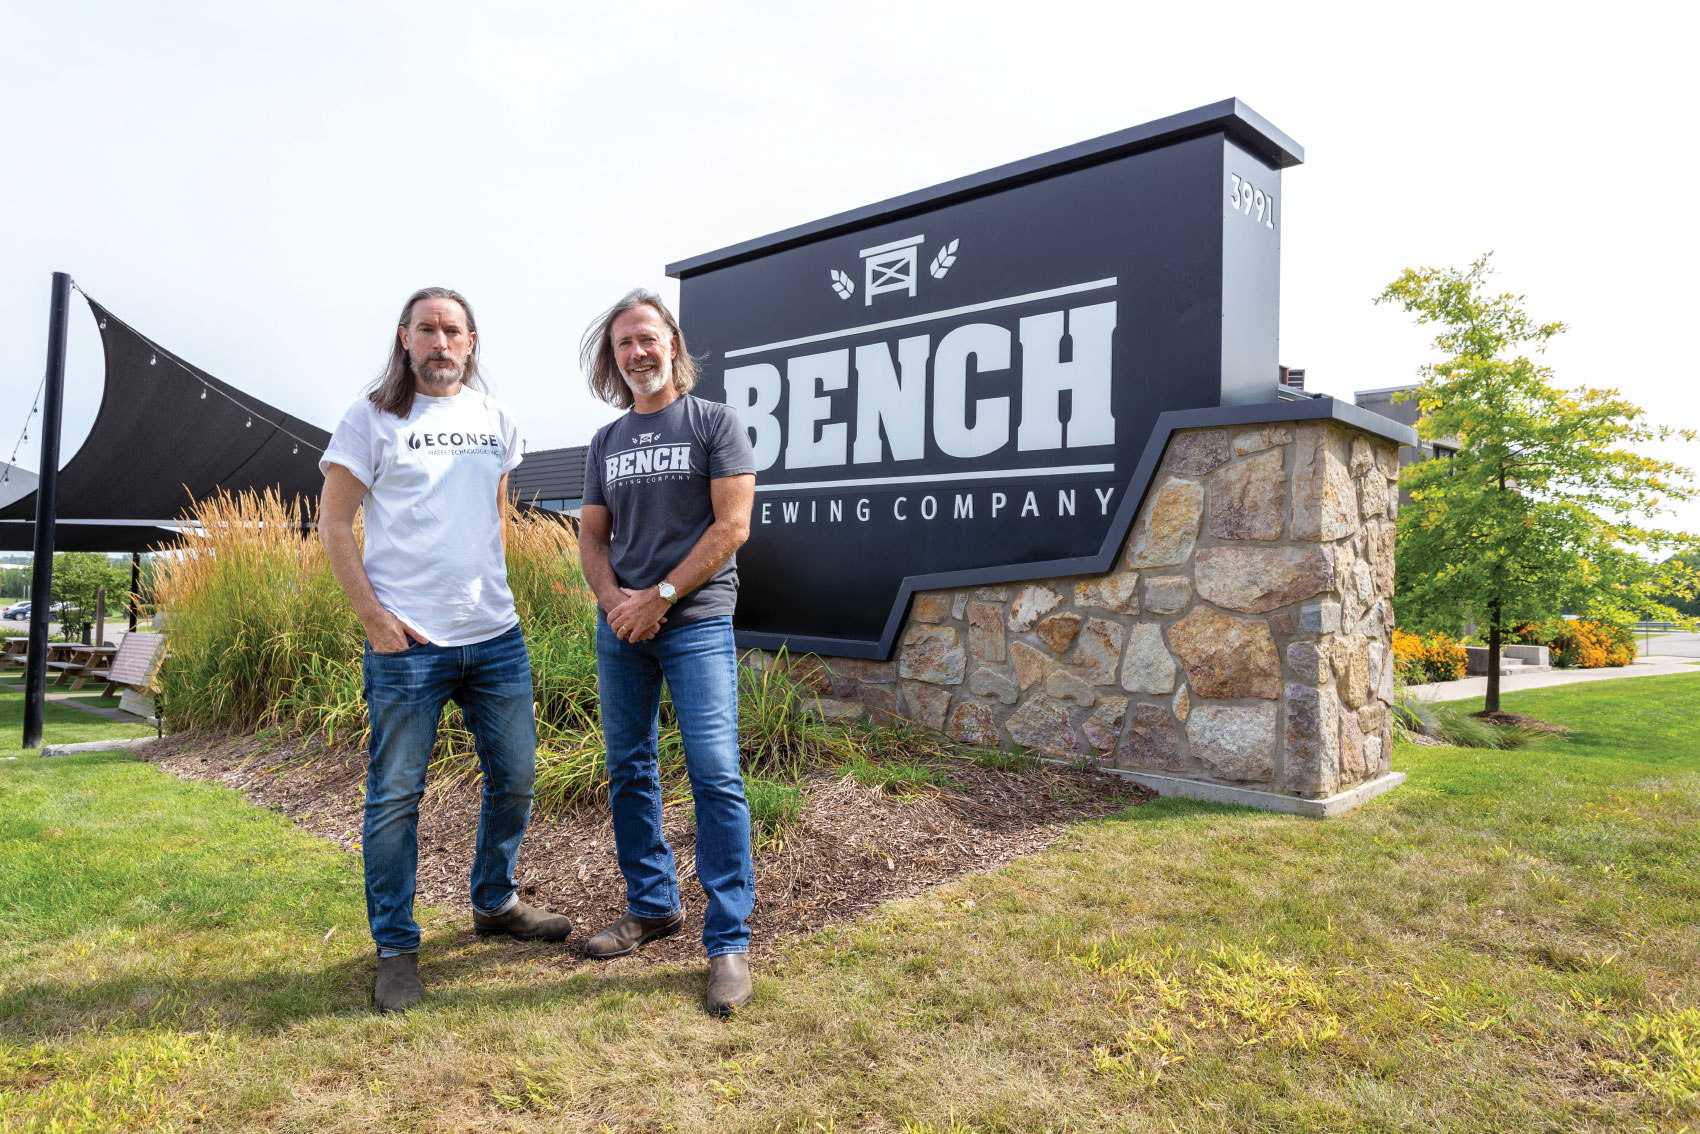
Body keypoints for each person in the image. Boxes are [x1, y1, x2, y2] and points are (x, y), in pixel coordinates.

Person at [320, 286, 572, 1013]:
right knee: (396, 797)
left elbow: (493, 508)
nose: (439, 341)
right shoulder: (370, 418)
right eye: (426, 328)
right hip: (408, 647)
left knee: (517, 777)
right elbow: (335, 524)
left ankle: (494, 901)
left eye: (452, 330)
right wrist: (374, 619)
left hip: (495, 637)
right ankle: (396, 946)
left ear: (470, 342)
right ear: (404, 337)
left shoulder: (497, 419)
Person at [578, 288, 757, 1016]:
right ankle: (653, 908)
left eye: (647, 339)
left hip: (696, 620)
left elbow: (732, 526)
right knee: (629, 769)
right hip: (623, 626)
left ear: (672, 344)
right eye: (624, 344)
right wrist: (617, 603)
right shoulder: (605, 441)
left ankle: (729, 942)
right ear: (613, 358)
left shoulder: (715, 423)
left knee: (714, 774)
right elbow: (592, 536)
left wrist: (661, 597)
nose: (637, 353)